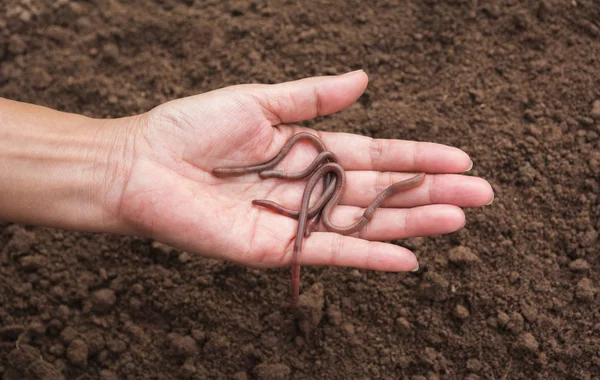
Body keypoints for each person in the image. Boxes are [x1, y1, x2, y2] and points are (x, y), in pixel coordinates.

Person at [0, 71, 493, 272]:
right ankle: (286, 198)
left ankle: (289, 200)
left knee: (303, 197)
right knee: (296, 191)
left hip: (309, 187)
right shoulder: (306, 166)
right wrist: (125, 157)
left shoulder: (316, 170)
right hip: (306, 185)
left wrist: (121, 158)